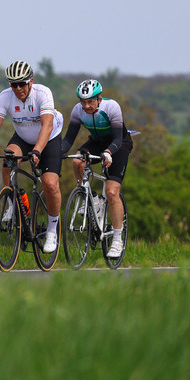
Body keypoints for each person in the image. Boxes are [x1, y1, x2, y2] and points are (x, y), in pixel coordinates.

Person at [0, 60, 64, 254]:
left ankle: (52, 230)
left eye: (21, 83)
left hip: (48, 138)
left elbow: (47, 126)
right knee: (8, 160)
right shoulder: (5, 97)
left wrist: (38, 151)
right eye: (13, 84)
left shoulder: (43, 93)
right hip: (23, 136)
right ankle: (11, 202)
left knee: (50, 184)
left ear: (30, 81)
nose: (17, 88)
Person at [61, 78, 133, 258]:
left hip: (119, 144)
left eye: (90, 102)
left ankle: (117, 239)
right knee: (77, 161)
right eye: (82, 102)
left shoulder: (111, 107)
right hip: (97, 142)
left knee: (111, 192)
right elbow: (69, 139)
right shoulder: (78, 111)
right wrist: (57, 153)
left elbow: (117, 138)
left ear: (99, 99)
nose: (85, 106)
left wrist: (109, 152)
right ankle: (90, 198)